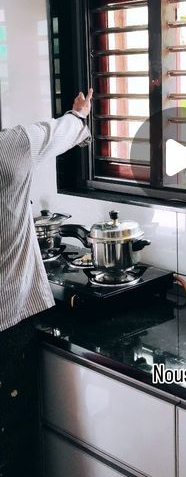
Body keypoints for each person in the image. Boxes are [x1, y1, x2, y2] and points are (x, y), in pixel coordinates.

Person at [0, 89, 93, 477]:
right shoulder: (12, 146)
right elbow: (63, 130)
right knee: (14, 437)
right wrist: (80, 115)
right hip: (9, 321)